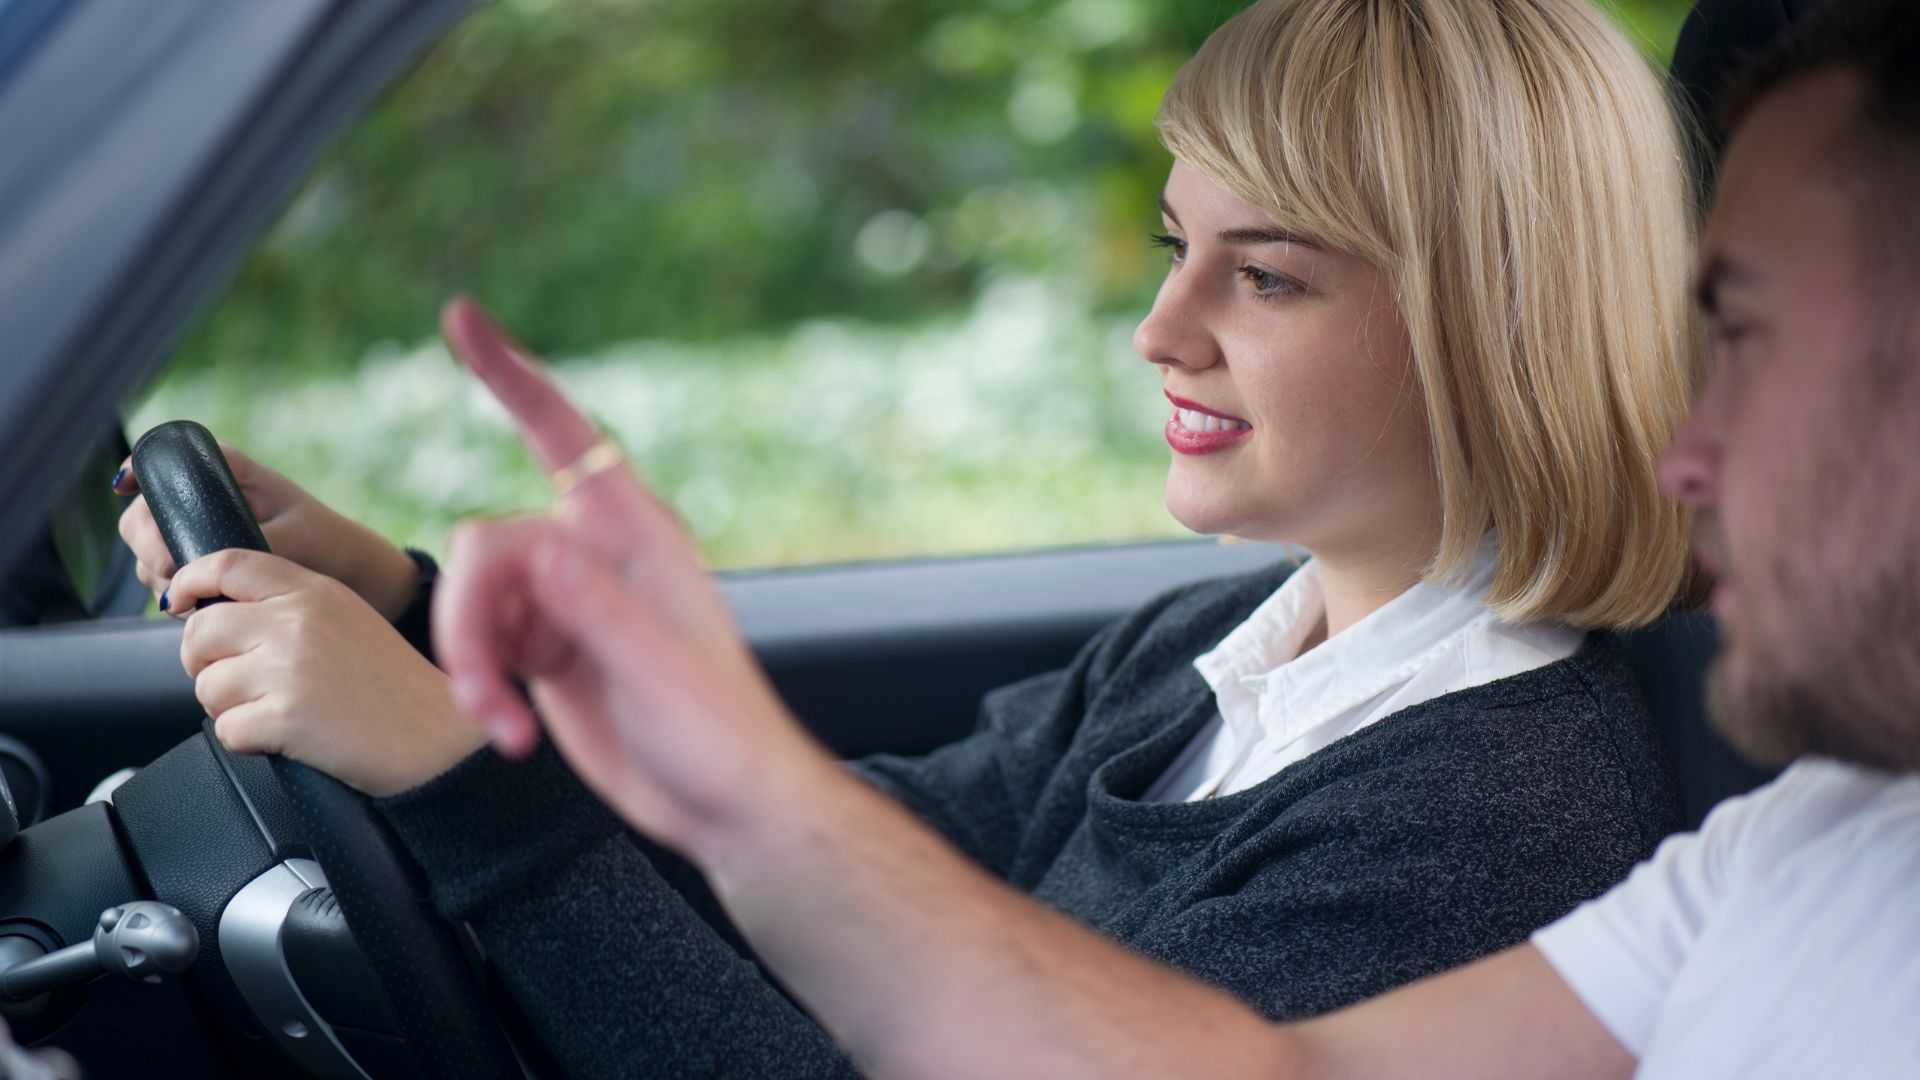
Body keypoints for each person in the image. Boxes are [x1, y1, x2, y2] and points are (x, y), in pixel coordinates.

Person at [271, 0, 1909, 1076]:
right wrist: (442, 635)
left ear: (1493, 332)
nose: (1156, 328)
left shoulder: (1495, 812)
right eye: (1173, 247)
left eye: (1264, 277)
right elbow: (859, 864)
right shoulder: (1212, 659)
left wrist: (469, 792)